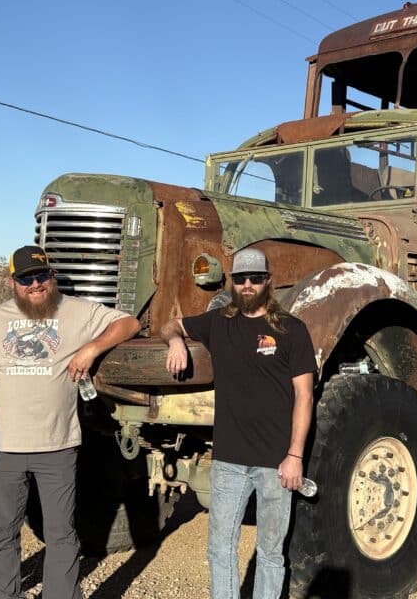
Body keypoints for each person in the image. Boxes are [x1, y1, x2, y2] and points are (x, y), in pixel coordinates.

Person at [0, 245, 140, 599]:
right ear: (13, 282)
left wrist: (91, 348)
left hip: (57, 445)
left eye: (41, 275)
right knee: (3, 533)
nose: (35, 284)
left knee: (62, 534)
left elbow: (129, 323)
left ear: (51, 276)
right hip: (3, 448)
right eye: (26, 278)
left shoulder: (77, 311)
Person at [163, 247, 315, 599]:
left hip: (277, 464)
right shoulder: (218, 323)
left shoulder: (291, 330)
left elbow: (304, 396)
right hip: (229, 461)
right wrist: (176, 342)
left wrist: (295, 455)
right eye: (240, 279)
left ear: (268, 282)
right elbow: (171, 324)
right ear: (231, 282)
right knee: (219, 549)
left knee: (271, 554)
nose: (248, 285)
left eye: (256, 279)